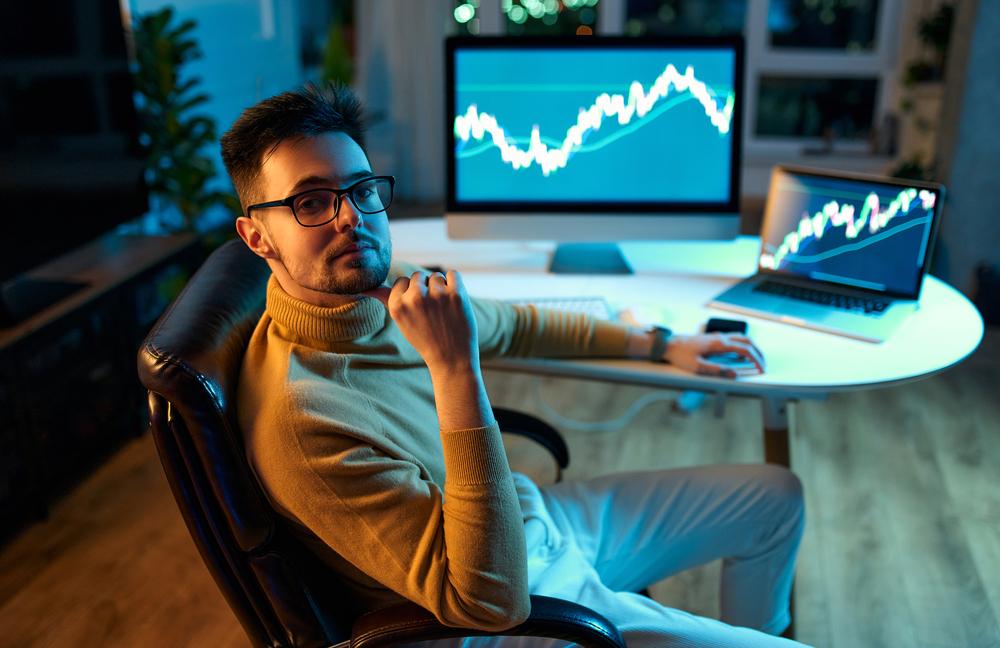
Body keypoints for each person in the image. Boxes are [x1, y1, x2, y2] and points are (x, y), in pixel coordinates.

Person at [222, 82, 807, 648]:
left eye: (361, 189)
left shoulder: (385, 290)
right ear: (257, 237)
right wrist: (454, 368)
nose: (351, 218)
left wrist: (661, 343)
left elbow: (519, 323)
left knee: (776, 497)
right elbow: (489, 602)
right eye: (312, 202)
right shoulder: (303, 421)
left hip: (527, 522)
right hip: (491, 616)